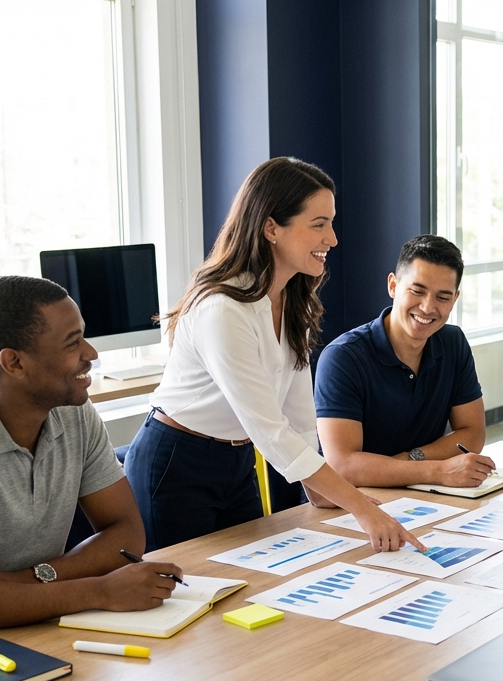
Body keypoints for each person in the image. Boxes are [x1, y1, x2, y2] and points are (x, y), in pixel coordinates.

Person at [123, 157, 424, 554]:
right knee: (192, 584)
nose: (332, 239)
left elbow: (298, 416)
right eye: (318, 224)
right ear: (271, 228)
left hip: (236, 460)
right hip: (176, 462)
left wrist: (320, 492)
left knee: (249, 577)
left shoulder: (293, 301)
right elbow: (269, 428)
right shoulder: (223, 309)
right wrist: (360, 508)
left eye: (331, 223)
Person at [0, 276, 182, 632]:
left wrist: (31, 579)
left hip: (33, 617)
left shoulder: (74, 413)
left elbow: (127, 533)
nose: (91, 354)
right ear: (14, 363)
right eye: (72, 343)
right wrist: (100, 591)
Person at [313, 235, 494, 489]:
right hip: (349, 500)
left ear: (455, 299)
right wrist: (438, 470)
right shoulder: (343, 358)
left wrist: (410, 460)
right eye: (417, 291)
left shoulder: (453, 342)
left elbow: (473, 434)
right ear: (393, 286)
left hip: (418, 493)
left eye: (442, 297)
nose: (428, 307)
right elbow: (343, 466)